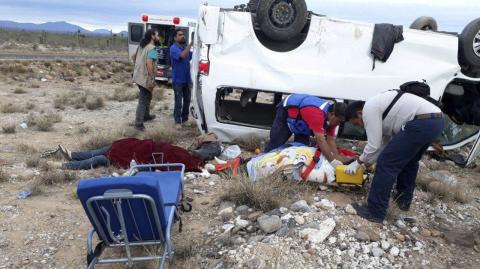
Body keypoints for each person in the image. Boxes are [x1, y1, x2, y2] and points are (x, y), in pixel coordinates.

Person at [344, 87, 444, 223]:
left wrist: (359, 162)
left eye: (357, 123)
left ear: (360, 113)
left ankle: (375, 211)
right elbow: (382, 145)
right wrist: (366, 161)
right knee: (409, 161)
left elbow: (374, 145)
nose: (360, 126)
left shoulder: (369, 108)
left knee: (386, 163)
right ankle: (403, 200)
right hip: (436, 121)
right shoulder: (382, 109)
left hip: (421, 122)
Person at [266, 94, 350, 166]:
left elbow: (330, 140)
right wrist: (332, 161)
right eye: (339, 121)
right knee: (275, 144)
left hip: (303, 118)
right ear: (332, 114)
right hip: (287, 110)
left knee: (301, 151)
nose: (339, 124)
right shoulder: (317, 114)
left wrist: (336, 157)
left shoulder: (332, 118)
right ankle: (260, 163)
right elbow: (320, 140)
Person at [50, 138, 204, 171]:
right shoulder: (184, 155)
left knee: (101, 157)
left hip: (136, 152)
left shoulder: (186, 159)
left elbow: (162, 161)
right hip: (138, 146)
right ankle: (71, 155)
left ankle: (66, 164)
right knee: (104, 151)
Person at [132, 29, 160, 131]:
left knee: (148, 96)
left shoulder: (141, 46)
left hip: (138, 76)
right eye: (157, 35)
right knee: (143, 100)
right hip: (145, 78)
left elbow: (133, 57)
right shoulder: (152, 48)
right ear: (152, 36)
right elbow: (149, 63)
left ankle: (146, 116)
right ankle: (138, 123)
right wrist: (152, 78)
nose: (158, 37)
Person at [169, 29, 193, 127]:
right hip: (178, 80)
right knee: (178, 102)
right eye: (180, 35)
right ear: (175, 38)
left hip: (187, 79)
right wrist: (191, 44)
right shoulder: (173, 48)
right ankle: (177, 121)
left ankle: (185, 119)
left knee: (187, 101)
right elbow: (182, 56)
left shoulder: (184, 48)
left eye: (183, 34)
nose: (182, 36)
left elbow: (192, 56)